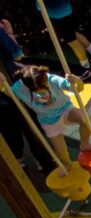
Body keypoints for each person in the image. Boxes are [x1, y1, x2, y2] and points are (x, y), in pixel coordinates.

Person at [11, 64, 91, 175]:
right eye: (36, 91)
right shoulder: (18, 87)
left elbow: (79, 89)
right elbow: (8, 92)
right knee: (60, 151)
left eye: (44, 87)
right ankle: (67, 165)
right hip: (48, 120)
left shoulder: (53, 79)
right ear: (28, 87)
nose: (41, 92)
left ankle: (84, 144)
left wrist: (77, 80)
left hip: (65, 109)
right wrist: (2, 85)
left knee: (85, 119)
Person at [0, 19, 56, 173]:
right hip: (13, 89)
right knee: (30, 126)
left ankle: (17, 159)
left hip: (4, 97)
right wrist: (8, 32)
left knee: (8, 129)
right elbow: (17, 54)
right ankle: (43, 161)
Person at [36, 0, 91, 80]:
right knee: (74, 34)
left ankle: (86, 69)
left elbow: (39, 7)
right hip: (68, 10)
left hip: (58, 16)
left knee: (73, 42)